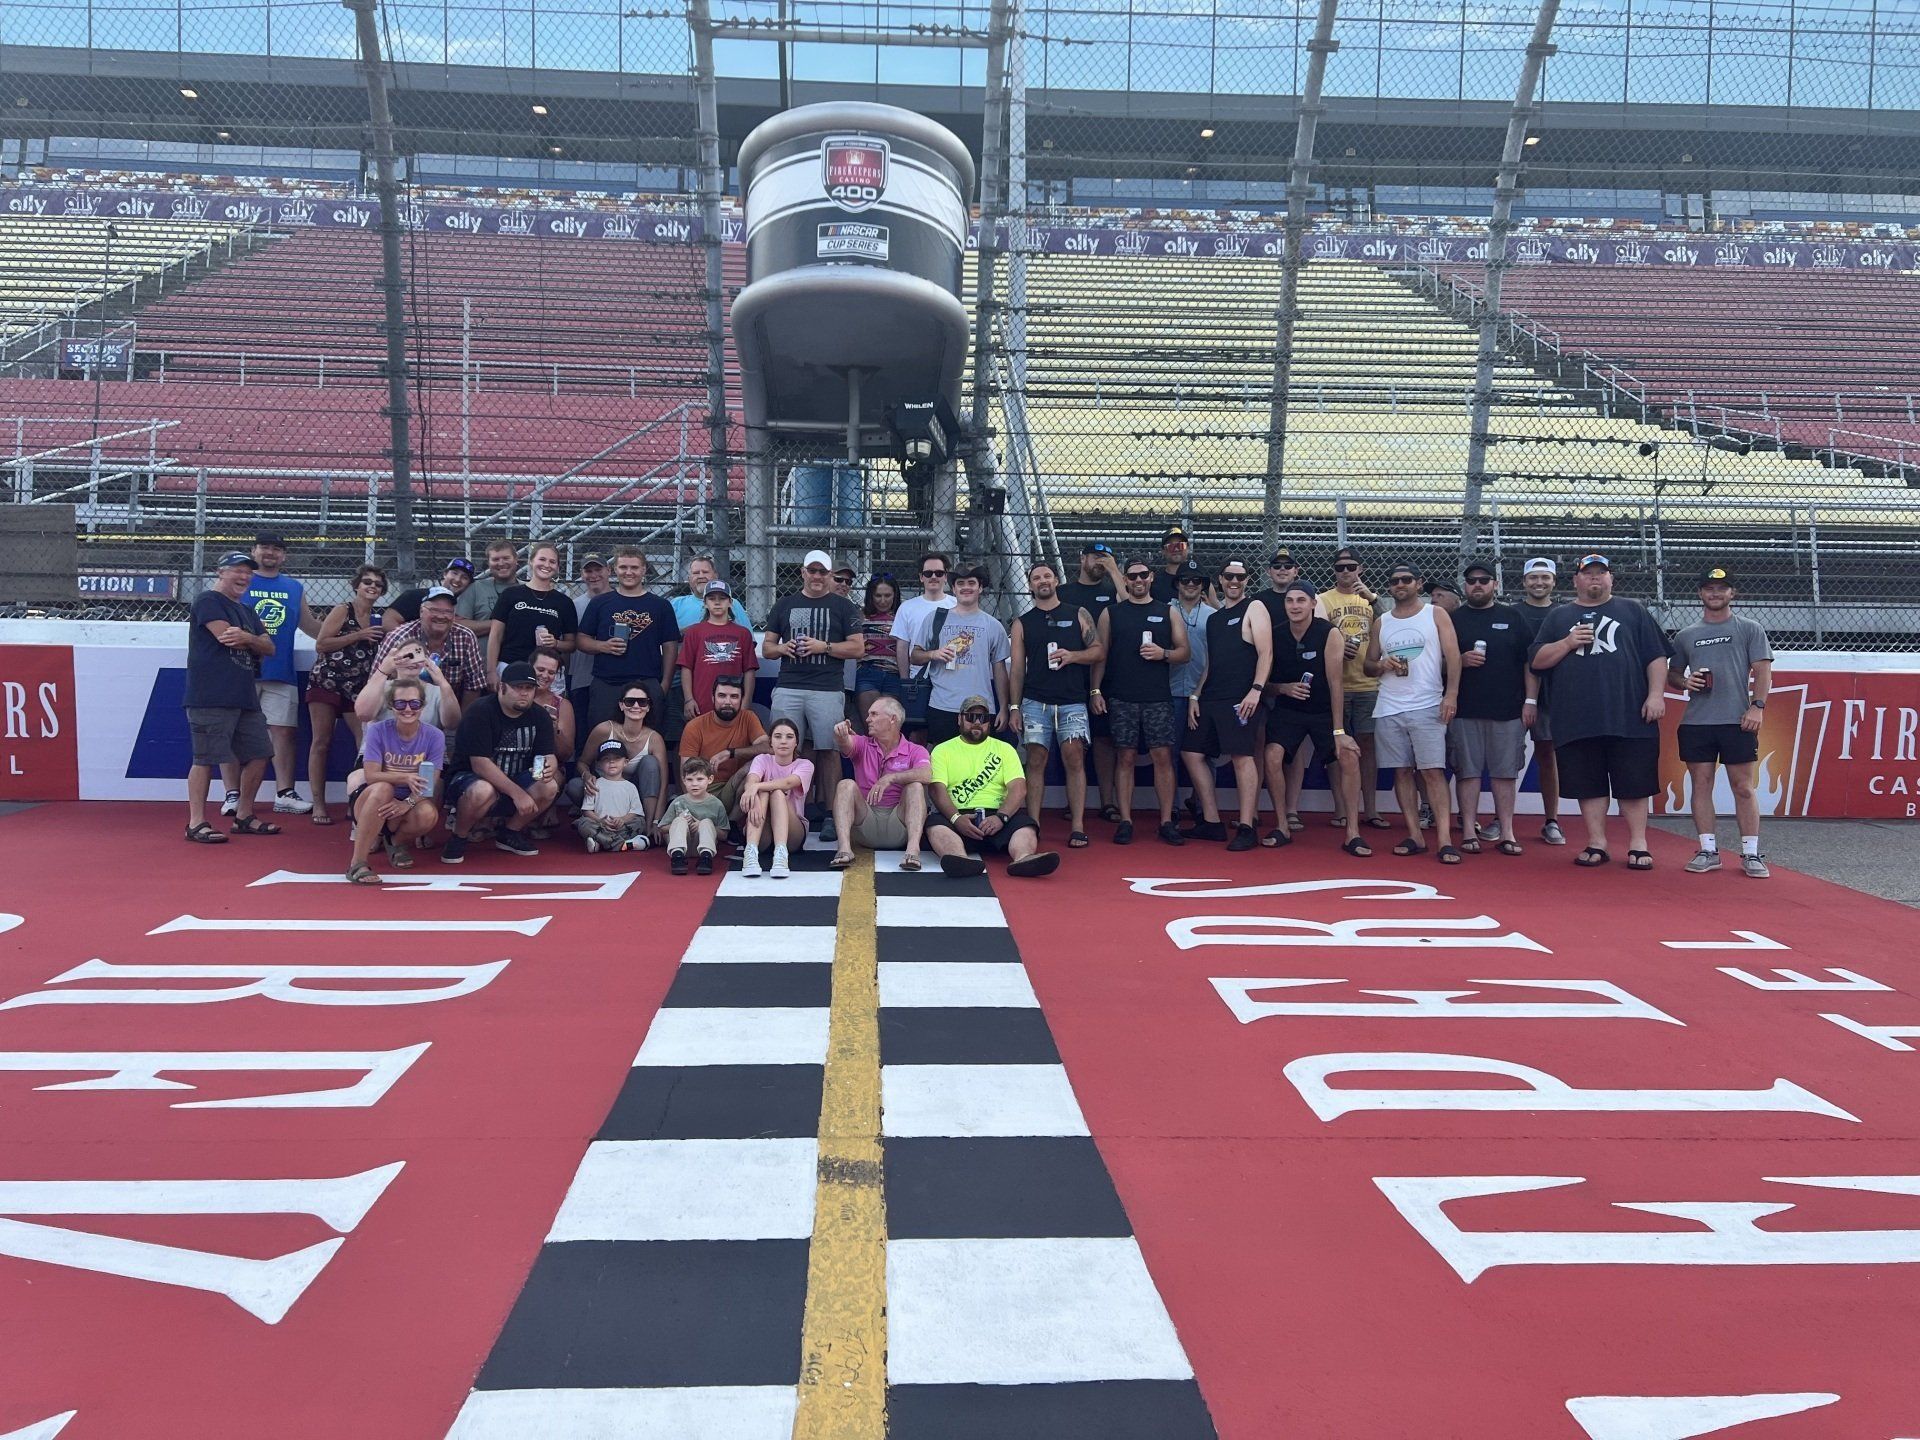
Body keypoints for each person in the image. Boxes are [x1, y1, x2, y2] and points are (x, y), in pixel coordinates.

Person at [1528, 553, 1671, 871]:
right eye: (1587, 573)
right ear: (1576, 580)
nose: (1594, 578)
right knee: (1588, 783)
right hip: (1577, 716)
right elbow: (1537, 661)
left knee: (1634, 783)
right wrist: (1566, 643)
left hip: (1630, 713)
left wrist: (1656, 695)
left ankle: (1638, 843)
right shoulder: (1559, 617)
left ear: (1611, 579)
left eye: (1600, 573)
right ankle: (1596, 842)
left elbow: (1656, 657)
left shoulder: (1632, 610)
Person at [1671, 565, 1774, 879]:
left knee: (1743, 787)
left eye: (1722, 588)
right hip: (1697, 722)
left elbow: (1763, 670)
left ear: (1732, 593)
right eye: (1709, 588)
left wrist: (1757, 707)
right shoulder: (1687, 635)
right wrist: (1685, 682)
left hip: (1737, 721)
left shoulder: (1749, 628)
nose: (1715, 593)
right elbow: (1674, 673)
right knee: (1700, 786)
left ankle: (1751, 853)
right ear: (1700, 593)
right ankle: (1707, 849)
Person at [1365, 561, 1462, 863]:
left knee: (1433, 772)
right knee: (1401, 772)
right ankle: (1415, 835)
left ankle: (1444, 840)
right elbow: (1368, 665)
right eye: (1394, 581)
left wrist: (1451, 694)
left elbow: (1454, 656)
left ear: (1419, 584)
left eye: (1406, 579)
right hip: (1390, 705)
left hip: (1427, 703)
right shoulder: (1382, 621)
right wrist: (1381, 665)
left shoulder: (1435, 614)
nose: (1400, 585)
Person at [1265, 581, 1370, 856]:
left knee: (1348, 755)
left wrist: (1339, 732)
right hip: (1289, 711)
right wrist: (1283, 688)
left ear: (1313, 604)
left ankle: (1353, 834)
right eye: (1290, 601)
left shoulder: (1329, 633)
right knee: (1272, 756)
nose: (1295, 606)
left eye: (1301, 600)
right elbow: (1264, 683)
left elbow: (1336, 684)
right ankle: (1281, 826)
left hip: (1324, 711)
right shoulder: (1275, 635)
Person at [223, 530, 322, 817]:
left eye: (277, 549)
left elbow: (311, 626)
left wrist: (347, 633)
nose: (270, 553)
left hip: (281, 671)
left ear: (284, 555)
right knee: (232, 733)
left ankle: (285, 794)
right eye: (265, 547)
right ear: (253, 551)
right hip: (239, 671)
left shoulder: (294, 587)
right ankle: (232, 795)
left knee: (283, 733)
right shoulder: (241, 582)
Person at [184, 551, 279, 843]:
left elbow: (269, 646)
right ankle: (196, 822)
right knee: (204, 758)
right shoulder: (208, 601)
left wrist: (250, 639)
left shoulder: (247, 611)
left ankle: (244, 816)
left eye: (248, 572)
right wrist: (255, 641)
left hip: (244, 696)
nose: (244, 577)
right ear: (220, 572)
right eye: (237, 570)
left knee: (261, 753)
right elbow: (225, 636)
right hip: (211, 694)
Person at [1093, 557, 1189, 845]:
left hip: (1158, 697)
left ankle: (1166, 821)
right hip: (1122, 697)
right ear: (1125, 580)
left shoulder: (1168, 611)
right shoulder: (1111, 613)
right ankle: (1125, 820)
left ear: (1151, 578)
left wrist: (1164, 654)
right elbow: (1101, 654)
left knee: (1163, 758)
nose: (1137, 580)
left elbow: (1185, 652)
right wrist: (1095, 690)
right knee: (1125, 757)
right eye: (1132, 576)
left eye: (1142, 575)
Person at [764, 549, 865, 825]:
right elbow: (767, 648)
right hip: (789, 685)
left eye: (823, 572)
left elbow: (858, 647)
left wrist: (825, 647)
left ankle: (833, 814)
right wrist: (785, 648)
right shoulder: (783, 605)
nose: (817, 576)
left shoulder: (844, 607)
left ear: (830, 575)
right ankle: (788, 810)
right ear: (803, 572)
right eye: (813, 571)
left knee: (829, 750)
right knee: (785, 749)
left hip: (827, 688)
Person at [1180, 560, 1272, 850]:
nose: (1235, 581)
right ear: (1219, 580)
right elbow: (1211, 663)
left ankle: (1247, 826)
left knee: (1242, 757)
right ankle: (1211, 822)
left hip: (1240, 698)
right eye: (1229, 576)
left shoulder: (1254, 607)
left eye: (1240, 577)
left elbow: (1266, 653)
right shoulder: (1216, 619)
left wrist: (1255, 690)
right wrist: (1195, 695)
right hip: (1211, 697)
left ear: (1247, 580)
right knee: (1191, 752)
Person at [1010, 560, 1100, 846]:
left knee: (1074, 759)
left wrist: (1073, 656)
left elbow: (1098, 650)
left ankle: (1077, 825)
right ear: (1031, 585)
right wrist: (1014, 707)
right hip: (1035, 701)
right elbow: (1016, 669)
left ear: (1056, 580)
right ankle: (1032, 825)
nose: (1042, 581)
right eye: (1036, 577)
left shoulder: (1078, 614)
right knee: (1035, 761)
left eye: (1047, 575)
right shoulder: (1022, 622)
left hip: (1072, 701)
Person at [1449, 560, 1535, 857]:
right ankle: (1470, 831)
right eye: (1472, 580)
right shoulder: (1453, 619)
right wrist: (1459, 660)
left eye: (1484, 580)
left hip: (1507, 709)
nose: (1478, 585)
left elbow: (1529, 662)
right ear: (1465, 585)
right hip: (1465, 709)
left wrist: (1530, 701)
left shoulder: (1514, 616)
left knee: (1505, 774)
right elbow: (1438, 662)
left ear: (1494, 585)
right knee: (1467, 773)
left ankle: (1507, 832)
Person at [926, 696, 1060, 878]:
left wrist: (1001, 817)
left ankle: (1024, 858)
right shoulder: (942, 750)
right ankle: (958, 859)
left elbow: (1019, 788)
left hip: (997, 815)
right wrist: (956, 818)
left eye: (983, 718)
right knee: (934, 823)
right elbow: (936, 790)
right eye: (971, 717)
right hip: (959, 815)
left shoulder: (1005, 749)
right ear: (959, 719)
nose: (977, 723)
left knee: (1026, 824)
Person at [441, 662, 561, 864]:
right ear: (501, 687)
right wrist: (519, 794)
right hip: (469, 780)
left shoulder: (539, 715)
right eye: (517, 687)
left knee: (548, 786)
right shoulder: (480, 711)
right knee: (482, 790)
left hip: (515, 777)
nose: (524, 693)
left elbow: (547, 754)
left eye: (529, 688)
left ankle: (509, 833)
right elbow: (480, 764)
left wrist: (550, 767)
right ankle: (458, 836)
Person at [305, 563, 386, 827]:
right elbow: (322, 643)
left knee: (364, 744)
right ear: (356, 586)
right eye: (367, 582)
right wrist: (359, 635)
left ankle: (356, 799)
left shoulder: (377, 619)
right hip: (327, 681)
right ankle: (318, 802)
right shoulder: (343, 610)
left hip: (358, 687)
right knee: (321, 742)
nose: (372, 586)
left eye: (377, 584)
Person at [1318, 547, 1390, 833]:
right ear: (1334, 571)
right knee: (1338, 748)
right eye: (1340, 567)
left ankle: (1370, 808)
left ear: (1361, 569)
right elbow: (1316, 634)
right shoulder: (1323, 599)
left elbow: (1393, 624)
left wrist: (1372, 598)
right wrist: (1336, 648)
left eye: (1351, 566)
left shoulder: (1372, 601)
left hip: (1368, 683)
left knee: (1367, 747)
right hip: (1335, 685)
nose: (1346, 572)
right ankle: (1341, 808)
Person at [346, 674, 443, 883]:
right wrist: (405, 777)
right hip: (370, 801)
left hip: (407, 802)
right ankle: (357, 863)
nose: (408, 709)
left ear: (423, 705)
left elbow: (430, 783)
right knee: (383, 789)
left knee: (428, 814)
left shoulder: (435, 736)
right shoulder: (377, 730)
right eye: (400, 703)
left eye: (414, 703)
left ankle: (395, 842)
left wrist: (406, 804)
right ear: (391, 706)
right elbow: (371, 776)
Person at [574, 547, 679, 730]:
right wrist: (602, 646)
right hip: (606, 683)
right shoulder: (600, 603)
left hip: (647, 682)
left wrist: (664, 685)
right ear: (614, 569)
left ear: (644, 569)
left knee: (646, 741)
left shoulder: (661, 605)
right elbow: (581, 639)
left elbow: (670, 645)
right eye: (623, 567)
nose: (628, 572)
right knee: (603, 740)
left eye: (634, 567)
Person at [912, 564, 1012, 749]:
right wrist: (934, 653)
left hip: (980, 707)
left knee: (977, 761)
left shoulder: (993, 625)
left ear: (980, 588)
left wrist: (1003, 708)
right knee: (941, 761)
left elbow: (1000, 671)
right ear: (954, 588)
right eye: (961, 583)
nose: (966, 587)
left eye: (972, 583)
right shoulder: (935, 618)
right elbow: (915, 656)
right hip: (942, 704)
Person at [1058, 543, 1123, 822]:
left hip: (1107, 675)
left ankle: (1107, 802)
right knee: (1070, 741)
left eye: (1105, 557)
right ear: (1082, 558)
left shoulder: (1112, 592)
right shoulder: (1064, 592)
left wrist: (1113, 570)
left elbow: (1131, 603)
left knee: (1104, 739)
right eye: (1096, 557)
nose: (1100, 562)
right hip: (1068, 674)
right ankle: (1072, 803)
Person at [829, 701, 933, 869]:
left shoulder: (915, 750)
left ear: (893, 719)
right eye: (869, 714)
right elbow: (846, 743)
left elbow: (927, 775)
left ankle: (913, 851)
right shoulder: (863, 743)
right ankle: (844, 849)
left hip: (899, 822)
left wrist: (891, 778)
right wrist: (841, 734)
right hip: (865, 821)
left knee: (915, 786)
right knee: (845, 784)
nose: (868, 719)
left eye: (874, 714)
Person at [1513, 556, 1566, 845]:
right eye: (1533, 577)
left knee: (1547, 756)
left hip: (1553, 698)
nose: (1539, 582)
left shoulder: (1564, 614)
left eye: (1545, 577)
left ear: (1554, 582)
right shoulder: (1512, 614)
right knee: (1507, 759)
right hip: (1513, 695)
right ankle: (1501, 819)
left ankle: (1552, 821)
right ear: (1524, 582)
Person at [372, 586, 492, 705]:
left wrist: (463, 722)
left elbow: (474, 685)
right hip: (403, 708)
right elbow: (375, 681)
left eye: (447, 612)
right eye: (434, 610)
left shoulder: (466, 637)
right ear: (421, 611)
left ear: (454, 615)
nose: (441, 616)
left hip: (448, 708)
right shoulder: (398, 637)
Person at [578, 682, 669, 832]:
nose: (636, 705)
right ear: (621, 705)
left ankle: (646, 825)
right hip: (604, 791)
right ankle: (596, 819)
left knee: (650, 763)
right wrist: (586, 775)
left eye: (642, 702)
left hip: (636, 796)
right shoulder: (604, 729)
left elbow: (664, 784)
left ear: (648, 707)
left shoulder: (654, 738)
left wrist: (656, 822)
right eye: (629, 701)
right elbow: (582, 762)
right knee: (575, 787)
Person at [678, 673, 768, 818]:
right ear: (713, 698)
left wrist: (731, 753)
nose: (728, 702)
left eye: (734, 697)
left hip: (739, 789)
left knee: (757, 764)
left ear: (741, 700)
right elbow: (685, 773)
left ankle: (732, 824)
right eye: (722, 696)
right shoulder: (695, 726)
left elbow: (768, 748)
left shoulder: (749, 718)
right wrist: (694, 808)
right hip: (707, 792)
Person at [487, 540, 578, 674]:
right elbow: (495, 635)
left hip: (546, 671)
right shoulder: (510, 594)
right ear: (531, 561)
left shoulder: (564, 602)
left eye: (552, 562)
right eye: (542, 559)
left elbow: (572, 644)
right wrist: (491, 672)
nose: (546, 565)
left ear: (558, 567)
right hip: (511, 666)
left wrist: (556, 643)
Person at [891, 551, 957, 734]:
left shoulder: (958, 604)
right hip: (919, 679)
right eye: (928, 573)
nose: (933, 577)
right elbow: (902, 647)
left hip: (951, 679)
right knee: (918, 732)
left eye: (939, 573)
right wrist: (906, 681)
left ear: (946, 576)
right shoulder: (907, 608)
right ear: (921, 577)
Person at [1169, 559, 1214, 826]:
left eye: (1196, 581)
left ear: (1203, 586)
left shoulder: (1212, 615)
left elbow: (1215, 657)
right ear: (1177, 584)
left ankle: (1201, 804)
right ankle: (1172, 806)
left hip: (1202, 691)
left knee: (1204, 753)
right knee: (1170, 752)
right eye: (1185, 580)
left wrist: (1199, 691)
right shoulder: (1164, 611)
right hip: (1170, 690)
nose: (1190, 585)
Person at [740, 717, 813, 879]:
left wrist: (757, 787)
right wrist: (755, 793)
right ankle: (750, 851)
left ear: (796, 743)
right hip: (763, 831)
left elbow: (787, 783)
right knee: (762, 792)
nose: (783, 741)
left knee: (776, 791)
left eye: (789, 737)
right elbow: (751, 780)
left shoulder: (805, 764)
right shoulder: (762, 759)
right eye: (778, 736)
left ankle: (781, 854)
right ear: (770, 742)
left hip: (793, 835)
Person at [678, 579, 756, 721]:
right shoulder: (694, 632)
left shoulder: (743, 633)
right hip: (701, 703)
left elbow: (749, 670)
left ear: (731, 602)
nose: (717, 602)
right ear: (705, 603)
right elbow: (686, 667)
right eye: (712, 598)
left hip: (732, 704)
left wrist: (746, 701)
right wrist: (689, 699)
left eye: (722, 598)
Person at [357, 636, 461, 732]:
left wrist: (443, 683)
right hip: (381, 750)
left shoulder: (438, 692)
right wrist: (383, 670)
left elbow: (452, 724)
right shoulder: (380, 687)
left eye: (417, 656)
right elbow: (364, 714)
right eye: (405, 657)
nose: (412, 662)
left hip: (424, 750)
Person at [575, 738, 650, 853]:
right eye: (606, 759)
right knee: (583, 823)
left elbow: (635, 812)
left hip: (622, 827)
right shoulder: (594, 784)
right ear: (599, 764)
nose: (612, 762)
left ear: (625, 762)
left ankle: (601, 842)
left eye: (617, 758)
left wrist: (622, 820)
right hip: (601, 825)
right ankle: (624, 844)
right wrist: (600, 821)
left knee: (640, 822)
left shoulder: (630, 787)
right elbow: (587, 811)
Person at [566, 554, 612, 732]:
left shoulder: (622, 601)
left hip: (611, 681)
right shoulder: (573, 605)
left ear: (609, 571)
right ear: (581, 574)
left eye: (598, 569)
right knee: (582, 734)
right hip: (581, 678)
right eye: (588, 571)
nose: (594, 575)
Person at [663, 757, 729, 874]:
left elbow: (724, 834)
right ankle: (677, 857)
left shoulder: (717, 804)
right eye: (690, 779)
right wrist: (680, 823)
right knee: (679, 821)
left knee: (706, 822)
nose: (694, 784)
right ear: (683, 780)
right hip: (683, 844)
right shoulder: (678, 801)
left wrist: (702, 825)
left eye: (699, 779)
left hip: (703, 845)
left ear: (710, 779)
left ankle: (706, 858)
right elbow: (662, 828)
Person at [853, 574, 904, 724]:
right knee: (871, 725)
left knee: (889, 727)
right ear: (871, 596)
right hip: (867, 673)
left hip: (894, 675)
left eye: (887, 595)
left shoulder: (902, 615)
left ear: (895, 595)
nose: (883, 601)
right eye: (878, 595)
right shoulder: (860, 616)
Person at [672, 554, 752, 632]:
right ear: (689, 579)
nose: (701, 576)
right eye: (696, 573)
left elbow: (748, 640)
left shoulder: (732, 603)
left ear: (715, 576)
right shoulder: (676, 604)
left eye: (705, 572)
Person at [386, 558, 473, 627]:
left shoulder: (467, 606)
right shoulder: (416, 596)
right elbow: (388, 621)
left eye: (464, 577)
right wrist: (411, 646)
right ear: (445, 574)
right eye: (454, 573)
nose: (458, 579)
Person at [457, 538, 518, 634]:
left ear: (516, 559)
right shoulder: (476, 588)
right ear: (488, 563)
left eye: (506, 558)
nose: (501, 563)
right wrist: (501, 623)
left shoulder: (528, 589)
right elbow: (458, 624)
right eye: (495, 559)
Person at [1152, 526, 1192, 603]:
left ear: (1187, 548)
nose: (1176, 549)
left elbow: (1215, 607)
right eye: (1171, 546)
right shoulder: (1154, 582)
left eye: (1180, 545)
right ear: (1163, 551)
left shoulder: (1199, 579)